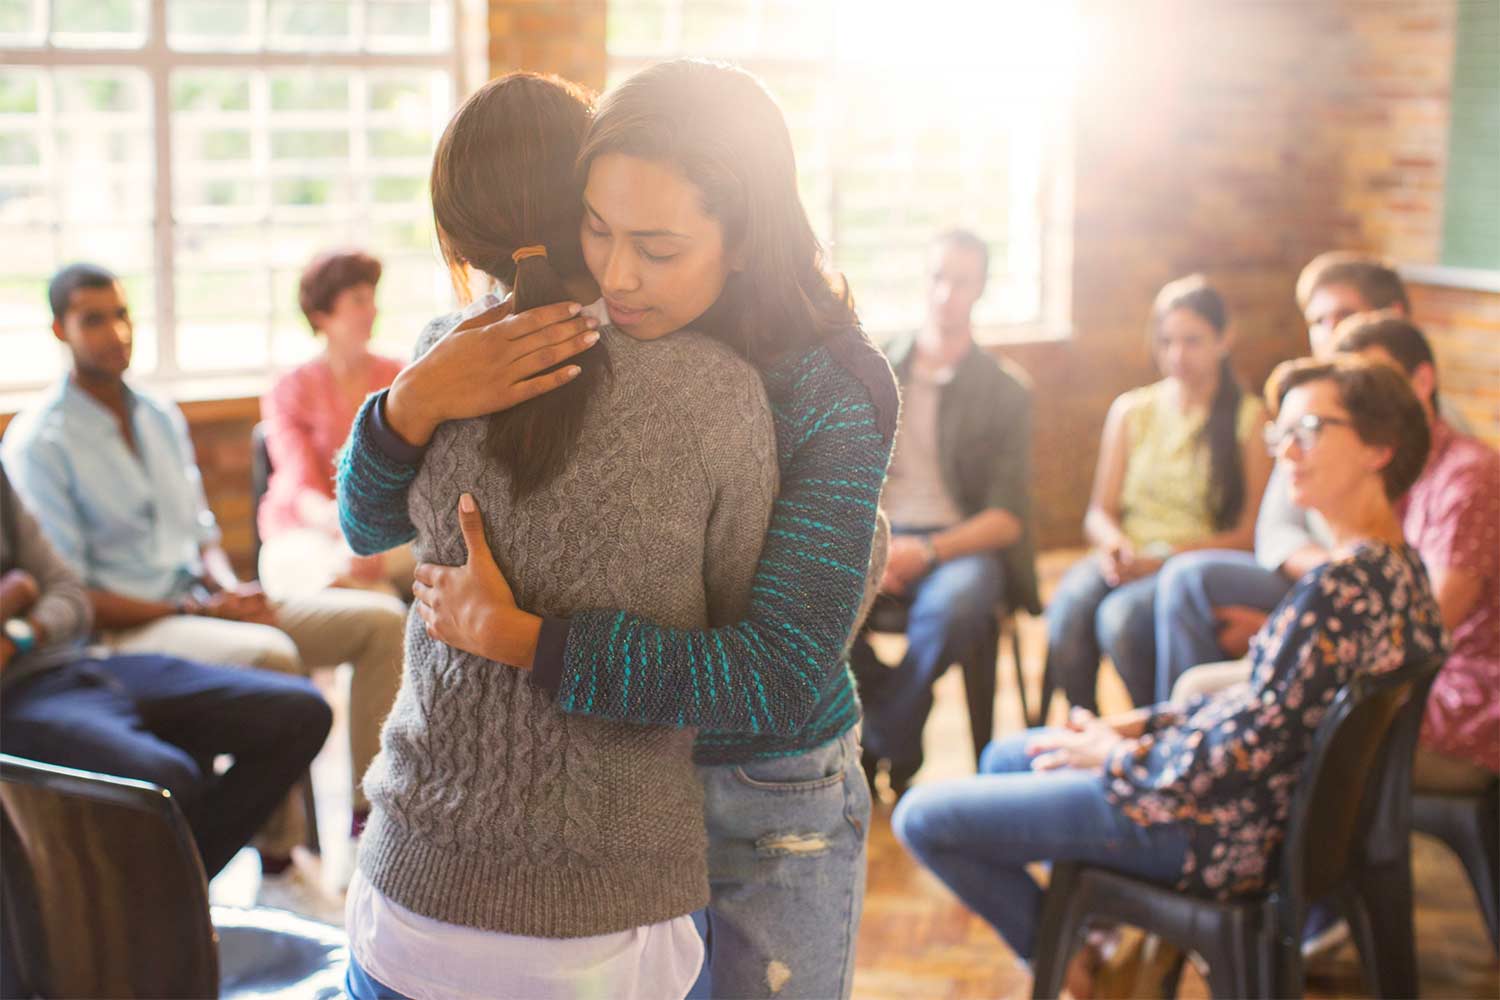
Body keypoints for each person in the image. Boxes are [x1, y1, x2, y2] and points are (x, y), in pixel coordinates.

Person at [338, 63, 896, 1000]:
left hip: (763, 787)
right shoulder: (542, 338)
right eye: (597, 228)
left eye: (660, 247)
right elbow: (368, 514)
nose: (618, 274)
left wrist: (531, 641)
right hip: (616, 801)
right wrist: (410, 401)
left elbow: (780, 672)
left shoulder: (826, 384)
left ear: (746, 238)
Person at [892, 357, 1444, 994]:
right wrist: (1139, 723)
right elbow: (1264, 709)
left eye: (1311, 428)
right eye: (1281, 433)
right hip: (1248, 810)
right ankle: (1092, 934)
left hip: (1213, 828)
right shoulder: (1398, 573)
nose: (1288, 450)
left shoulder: (1337, 590)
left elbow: (1243, 748)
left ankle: (1074, 963)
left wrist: (1117, 755)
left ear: (1379, 447)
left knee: (922, 816)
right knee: (1010, 754)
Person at [1, 262, 406, 871]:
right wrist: (195, 606)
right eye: (93, 320)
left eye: (121, 314)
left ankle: (368, 822)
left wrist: (227, 586)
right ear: (60, 330)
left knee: (379, 623)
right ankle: (277, 853)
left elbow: (202, 534)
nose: (116, 332)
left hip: (200, 599)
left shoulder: (158, 416)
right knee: (270, 654)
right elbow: (77, 592)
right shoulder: (40, 443)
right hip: (131, 627)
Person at [1152, 253, 1472, 699]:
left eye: (1344, 315)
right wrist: (1320, 601)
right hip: (1328, 583)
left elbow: (1411, 612)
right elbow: (1275, 532)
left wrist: (1309, 614)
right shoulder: (1315, 408)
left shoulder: (1450, 457)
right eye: (1318, 320)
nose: (1332, 334)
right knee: (1179, 589)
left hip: (1351, 603)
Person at [0, 462, 331, 880]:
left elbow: (67, 594)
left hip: (78, 662)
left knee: (302, 712)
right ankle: (164, 906)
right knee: (170, 780)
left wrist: (18, 628)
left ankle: (164, 899)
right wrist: (18, 589)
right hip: (13, 700)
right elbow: (36, 586)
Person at [848, 228, 1039, 794]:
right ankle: (901, 730)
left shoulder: (1006, 391)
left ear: (980, 289)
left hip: (959, 545)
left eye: (960, 282)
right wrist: (878, 544)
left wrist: (927, 551)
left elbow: (1006, 518)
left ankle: (883, 735)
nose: (944, 293)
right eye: (936, 277)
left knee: (953, 610)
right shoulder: (877, 366)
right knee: (819, 591)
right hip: (878, 532)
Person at [1044, 275, 1270, 713]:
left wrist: (1163, 558)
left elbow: (1250, 534)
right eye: (1166, 341)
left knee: (1122, 620)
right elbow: (1098, 512)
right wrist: (1115, 545)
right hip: (1128, 554)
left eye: (1192, 341)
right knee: (1069, 612)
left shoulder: (1250, 420)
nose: (1177, 355)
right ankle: (1085, 724)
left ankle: (1156, 726)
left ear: (1225, 339)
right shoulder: (1133, 411)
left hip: (1189, 565)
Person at [257, 249, 411, 600]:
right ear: (322, 314)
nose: (372, 310)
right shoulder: (289, 389)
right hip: (306, 526)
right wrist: (344, 528)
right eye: (358, 301)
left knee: (368, 574)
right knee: (352, 582)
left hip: (384, 529)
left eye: (373, 299)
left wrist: (369, 536)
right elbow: (298, 482)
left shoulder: (399, 376)